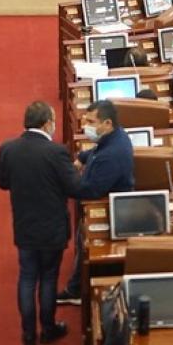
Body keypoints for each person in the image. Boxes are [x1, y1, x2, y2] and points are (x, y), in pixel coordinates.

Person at [0, 101, 78, 345]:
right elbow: (73, 187)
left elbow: (2, 182)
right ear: (47, 123)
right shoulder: (57, 152)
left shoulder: (8, 148)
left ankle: (28, 334)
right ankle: (48, 329)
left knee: (27, 277)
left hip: (25, 225)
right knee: (49, 278)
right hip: (53, 229)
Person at [60, 100, 134, 305]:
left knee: (84, 244)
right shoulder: (115, 136)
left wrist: (65, 183)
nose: (86, 126)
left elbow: (91, 191)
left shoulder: (111, 155)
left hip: (106, 209)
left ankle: (76, 290)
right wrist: (83, 157)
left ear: (107, 123)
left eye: (91, 122)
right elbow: (96, 151)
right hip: (108, 201)